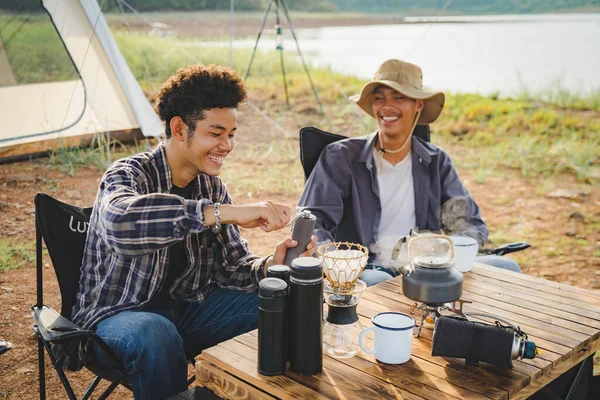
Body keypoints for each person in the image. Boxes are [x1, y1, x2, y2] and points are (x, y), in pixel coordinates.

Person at [70, 64, 316, 400]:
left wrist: (271, 266)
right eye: (215, 134)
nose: (227, 145)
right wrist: (224, 213)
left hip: (188, 316)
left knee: (279, 300)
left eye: (231, 134)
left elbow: (231, 268)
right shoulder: (129, 174)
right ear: (178, 128)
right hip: (116, 320)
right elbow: (121, 225)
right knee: (155, 331)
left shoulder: (212, 187)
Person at [298, 59, 520, 286]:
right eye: (379, 98)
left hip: (427, 265)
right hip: (367, 269)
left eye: (399, 97)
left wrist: (451, 250)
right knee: (380, 281)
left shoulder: (435, 161)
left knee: (508, 268)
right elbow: (310, 220)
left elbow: (471, 223)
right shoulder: (340, 157)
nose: (387, 106)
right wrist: (338, 261)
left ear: (418, 105)